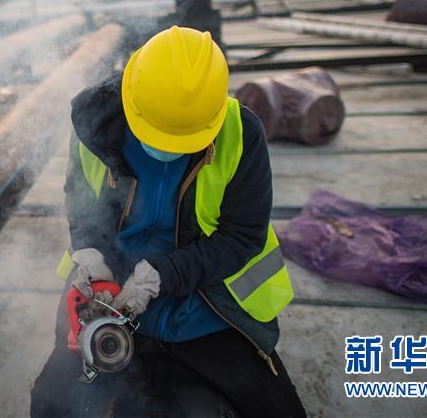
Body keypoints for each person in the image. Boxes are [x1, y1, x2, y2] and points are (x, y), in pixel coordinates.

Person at [30, 26, 305, 417]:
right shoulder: (94, 126)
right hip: (111, 293)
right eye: (156, 135)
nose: (164, 149)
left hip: (204, 303)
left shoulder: (242, 134)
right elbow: (80, 204)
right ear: (132, 98)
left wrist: (163, 274)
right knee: (51, 405)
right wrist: (92, 255)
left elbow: (242, 237)